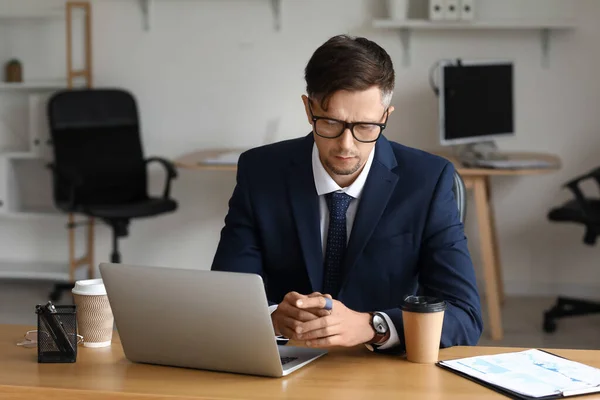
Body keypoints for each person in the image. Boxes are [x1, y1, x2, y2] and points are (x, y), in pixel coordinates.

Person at [211, 34, 482, 353]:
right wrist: (271, 317)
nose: (346, 145)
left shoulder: (428, 180)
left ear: (385, 117)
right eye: (330, 123)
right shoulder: (261, 172)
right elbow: (227, 298)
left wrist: (373, 326)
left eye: (365, 127)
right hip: (284, 363)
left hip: (384, 370)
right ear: (308, 108)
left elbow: (464, 315)